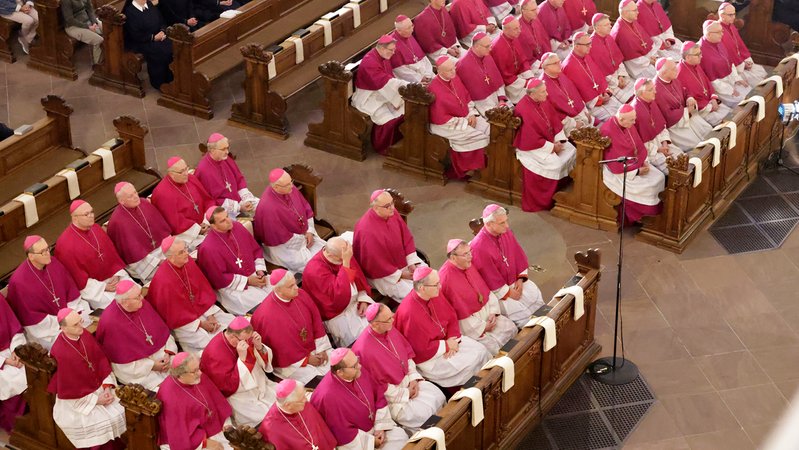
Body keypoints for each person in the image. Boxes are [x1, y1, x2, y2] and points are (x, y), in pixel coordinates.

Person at [352, 304, 445, 432]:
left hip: (410, 381)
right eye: (388, 319)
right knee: (425, 415)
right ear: (375, 324)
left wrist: (413, 379)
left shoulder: (389, 328)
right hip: (394, 397)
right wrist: (406, 393)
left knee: (438, 396)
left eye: (391, 316)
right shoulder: (362, 350)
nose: (393, 320)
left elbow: (406, 355)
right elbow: (376, 387)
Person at [394, 267, 491, 387]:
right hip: (432, 356)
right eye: (436, 284)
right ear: (422, 288)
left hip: (450, 340)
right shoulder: (408, 313)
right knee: (468, 366)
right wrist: (446, 345)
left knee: (481, 351)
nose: (440, 287)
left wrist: (452, 338)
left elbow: (451, 315)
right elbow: (419, 349)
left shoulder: (434, 293)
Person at [49, 308, 126, 449]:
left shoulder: (84, 335)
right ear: (63, 328)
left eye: (80, 321)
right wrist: (96, 400)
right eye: (75, 325)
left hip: (100, 387)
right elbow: (69, 388)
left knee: (125, 410)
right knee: (103, 424)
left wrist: (107, 387)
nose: (81, 326)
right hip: (78, 400)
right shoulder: (60, 351)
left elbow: (101, 362)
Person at [310, 348, 409, 450]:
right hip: (359, 443)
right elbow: (342, 433)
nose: (360, 366)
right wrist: (371, 442)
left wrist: (380, 427)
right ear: (340, 372)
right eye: (354, 366)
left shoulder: (357, 371)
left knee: (401, 436)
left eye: (357, 360)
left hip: (377, 427)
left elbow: (378, 395)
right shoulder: (326, 397)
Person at [148, 236, 233, 354]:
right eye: (181, 252)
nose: (187, 253)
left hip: (204, 310)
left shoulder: (188, 262)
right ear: (171, 258)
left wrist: (210, 315)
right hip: (186, 325)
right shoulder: (163, 281)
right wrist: (201, 324)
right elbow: (174, 316)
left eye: (186, 249)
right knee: (213, 344)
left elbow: (202, 291)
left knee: (232, 324)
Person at [6, 235, 92, 350]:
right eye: (43, 252)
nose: (47, 253)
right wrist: (65, 323)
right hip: (47, 330)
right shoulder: (19, 281)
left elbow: (70, 290)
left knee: (88, 325)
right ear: (31, 256)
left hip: (70, 315)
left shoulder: (53, 263)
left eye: (48, 249)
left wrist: (71, 316)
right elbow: (31, 317)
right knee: (68, 343)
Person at [251, 269, 332, 384]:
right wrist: (306, 360)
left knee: (338, 364)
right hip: (292, 364)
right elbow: (281, 349)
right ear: (278, 290)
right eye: (291, 286)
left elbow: (316, 321)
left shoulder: (300, 294)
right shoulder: (267, 316)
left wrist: (322, 349)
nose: (296, 287)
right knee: (319, 380)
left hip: (315, 347)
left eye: (295, 283)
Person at [470, 205, 546, 326]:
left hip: (515, 280)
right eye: (502, 223)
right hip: (500, 292)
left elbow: (517, 254)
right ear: (489, 224)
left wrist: (520, 279)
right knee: (524, 318)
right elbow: (489, 278)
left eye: (506, 220)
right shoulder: (478, 247)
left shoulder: (505, 232)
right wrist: (509, 292)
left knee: (536, 301)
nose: (507, 226)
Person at [438, 240, 517, 356]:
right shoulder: (445, 279)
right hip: (472, 327)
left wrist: (493, 312)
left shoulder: (468, 265)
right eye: (465, 254)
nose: (470, 256)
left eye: (470, 251)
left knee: (511, 329)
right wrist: (483, 327)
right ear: (453, 257)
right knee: (492, 350)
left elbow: (485, 292)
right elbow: (459, 315)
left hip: (488, 315)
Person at [96, 281, 177, 391]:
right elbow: (122, 362)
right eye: (137, 297)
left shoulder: (141, 304)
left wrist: (168, 353)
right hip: (137, 370)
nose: (142, 298)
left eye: (140, 294)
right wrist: (152, 365)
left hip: (162, 355)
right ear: (125, 302)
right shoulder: (110, 322)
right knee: (165, 389)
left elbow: (162, 333)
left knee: (184, 370)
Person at [55, 199, 135, 309]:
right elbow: (78, 278)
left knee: (135, 292)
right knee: (117, 307)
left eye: (91, 212)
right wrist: (104, 287)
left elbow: (112, 256)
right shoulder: (65, 245)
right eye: (86, 214)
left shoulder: (96, 228)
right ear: (75, 218)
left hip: (115, 277)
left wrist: (116, 274)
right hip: (96, 289)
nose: (91, 216)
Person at [512, 79, 577, 212]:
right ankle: (546, 200)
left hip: (548, 141)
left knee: (572, 150)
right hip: (531, 148)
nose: (547, 94)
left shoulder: (542, 101)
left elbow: (554, 121)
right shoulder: (523, 109)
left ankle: (563, 186)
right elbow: (530, 137)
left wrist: (559, 141)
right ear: (532, 94)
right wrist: (552, 147)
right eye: (543, 92)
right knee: (556, 164)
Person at [200, 316, 277, 427]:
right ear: (232, 336)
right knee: (265, 418)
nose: (247, 342)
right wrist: (242, 359)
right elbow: (226, 386)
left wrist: (259, 346)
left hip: (261, 383)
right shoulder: (214, 353)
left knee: (284, 400)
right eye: (244, 340)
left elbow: (261, 360)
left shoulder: (242, 339)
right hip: (240, 396)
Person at [353, 189, 425, 302]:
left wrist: (411, 261)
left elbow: (405, 235)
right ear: (375, 207)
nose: (392, 208)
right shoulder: (366, 230)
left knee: (429, 277)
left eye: (392, 203)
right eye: (387, 206)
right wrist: (401, 274)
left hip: (403, 260)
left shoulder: (392, 212)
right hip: (384, 275)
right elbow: (375, 264)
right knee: (417, 294)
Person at [197, 206, 270, 315]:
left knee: (279, 287)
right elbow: (219, 278)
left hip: (254, 274)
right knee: (263, 303)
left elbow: (255, 250)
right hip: (233, 287)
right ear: (213, 226)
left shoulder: (238, 227)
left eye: (227, 216)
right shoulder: (208, 248)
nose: (228, 221)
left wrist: (260, 271)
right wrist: (248, 281)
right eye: (223, 221)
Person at [600, 104, 666, 224]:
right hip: (621, 172)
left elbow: (638, 146)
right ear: (621, 119)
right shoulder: (608, 131)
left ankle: (658, 213)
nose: (634, 122)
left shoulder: (627, 124)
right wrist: (637, 171)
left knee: (659, 177)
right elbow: (614, 162)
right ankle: (641, 216)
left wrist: (644, 161)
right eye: (632, 120)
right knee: (649, 186)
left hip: (635, 163)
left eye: (634, 119)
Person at [302, 237, 372, 348]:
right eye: (342, 259)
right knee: (362, 343)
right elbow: (337, 299)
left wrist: (363, 298)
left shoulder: (344, 253)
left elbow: (358, 278)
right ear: (330, 255)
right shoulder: (314, 271)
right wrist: (345, 264)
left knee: (379, 322)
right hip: (338, 314)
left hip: (357, 301)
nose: (345, 260)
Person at [428, 56, 490, 179]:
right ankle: (470, 168)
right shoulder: (433, 88)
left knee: (488, 128)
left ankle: (488, 165)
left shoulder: (454, 78)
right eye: (449, 70)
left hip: (465, 116)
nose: (453, 72)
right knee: (478, 137)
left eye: (454, 68)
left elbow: (466, 96)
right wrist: (465, 121)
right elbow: (440, 116)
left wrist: (471, 113)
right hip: (445, 125)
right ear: (440, 71)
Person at [253, 168, 325, 273]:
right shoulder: (267, 207)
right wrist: (303, 240)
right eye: (287, 184)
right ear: (276, 187)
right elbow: (278, 235)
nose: (291, 186)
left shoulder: (290, 189)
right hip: (284, 247)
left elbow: (305, 207)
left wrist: (309, 231)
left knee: (326, 251)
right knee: (311, 264)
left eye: (291, 181)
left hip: (305, 235)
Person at [157, 352, 234, 450]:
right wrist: (205, 443)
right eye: (195, 371)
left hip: (214, 428)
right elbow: (179, 434)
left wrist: (225, 423)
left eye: (199, 368)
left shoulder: (196, 377)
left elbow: (217, 401)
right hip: (195, 442)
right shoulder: (170, 396)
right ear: (181, 374)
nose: (200, 373)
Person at [351, 35, 408, 155]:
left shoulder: (382, 56)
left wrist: (397, 98)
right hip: (367, 97)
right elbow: (385, 83)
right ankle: (382, 146)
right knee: (388, 121)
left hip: (381, 92)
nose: (393, 53)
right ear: (382, 48)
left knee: (404, 110)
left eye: (394, 49)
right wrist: (406, 87)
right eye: (391, 50)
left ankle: (399, 140)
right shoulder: (370, 62)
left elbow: (387, 80)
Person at [107, 181, 171, 282]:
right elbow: (133, 253)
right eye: (130, 196)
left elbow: (162, 231)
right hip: (143, 263)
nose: (136, 197)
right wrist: (159, 262)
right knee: (167, 275)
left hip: (162, 250)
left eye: (135, 192)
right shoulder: (117, 222)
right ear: (121, 201)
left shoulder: (144, 203)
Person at [151, 156, 216, 252]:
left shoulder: (191, 179)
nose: (186, 173)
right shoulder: (162, 193)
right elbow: (175, 222)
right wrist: (198, 229)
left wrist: (207, 221)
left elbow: (207, 200)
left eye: (186, 168)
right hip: (188, 235)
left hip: (206, 224)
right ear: (171, 174)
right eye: (181, 172)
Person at [258, 379, 337, 450]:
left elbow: (320, 427)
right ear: (288, 405)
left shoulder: (303, 404)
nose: (306, 400)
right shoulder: (271, 429)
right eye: (301, 399)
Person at [195, 133, 259, 219]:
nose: (227, 152)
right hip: (222, 211)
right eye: (223, 149)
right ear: (213, 150)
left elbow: (239, 179)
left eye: (227, 148)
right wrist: (238, 207)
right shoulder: (203, 170)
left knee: (262, 207)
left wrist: (247, 199)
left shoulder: (225, 158)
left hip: (239, 200)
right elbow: (210, 199)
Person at [654, 57, 712, 151]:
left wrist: (689, 98)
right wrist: (686, 111)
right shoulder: (656, 90)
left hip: (687, 116)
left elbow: (684, 90)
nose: (676, 70)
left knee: (709, 131)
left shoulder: (673, 78)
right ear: (664, 72)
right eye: (673, 69)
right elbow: (667, 115)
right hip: (677, 126)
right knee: (697, 146)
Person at [563, 31, 623, 123]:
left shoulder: (586, 55)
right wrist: (598, 100)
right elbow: (575, 92)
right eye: (587, 45)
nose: (590, 46)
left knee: (625, 112)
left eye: (590, 43)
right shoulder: (568, 66)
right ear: (577, 46)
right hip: (593, 105)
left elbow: (598, 75)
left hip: (604, 96)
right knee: (617, 121)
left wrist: (605, 91)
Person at [631, 78, 681, 174]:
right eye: (651, 90)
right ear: (641, 93)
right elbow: (638, 142)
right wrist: (658, 149)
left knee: (682, 158)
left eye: (654, 88)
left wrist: (665, 143)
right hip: (651, 151)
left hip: (663, 143)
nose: (655, 91)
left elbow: (662, 126)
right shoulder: (635, 111)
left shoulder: (651, 102)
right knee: (675, 171)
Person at [677, 41, 732, 126]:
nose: (701, 56)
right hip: (702, 111)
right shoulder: (679, 73)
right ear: (688, 57)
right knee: (727, 123)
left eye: (700, 53)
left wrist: (713, 98)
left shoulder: (695, 64)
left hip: (711, 102)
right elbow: (687, 100)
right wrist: (709, 106)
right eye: (697, 54)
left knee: (732, 114)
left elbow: (707, 82)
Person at [123, 0, 173, 90]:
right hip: (142, 42)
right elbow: (135, 35)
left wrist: (162, 31)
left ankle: (172, 79)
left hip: (159, 37)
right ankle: (159, 83)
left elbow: (162, 21)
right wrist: (153, 37)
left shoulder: (149, 4)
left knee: (174, 45)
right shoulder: (130, 12)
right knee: (162, 51)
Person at [540, 52, 593, 135]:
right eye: (555, 63)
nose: (559, 65)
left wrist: (585, 111)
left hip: (582, 115)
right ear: (545, 67)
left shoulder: (560, 74)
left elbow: (576, 94)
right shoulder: (543, 86)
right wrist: (574, 124)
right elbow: (553, 113)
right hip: (570, 125)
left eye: (559, 61)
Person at [699, 20, 748, 108]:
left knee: (749, 91)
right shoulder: (701, 51)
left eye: (722, 31)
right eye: (718, 32)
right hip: (720, 88)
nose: (722, 34)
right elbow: (711, 79)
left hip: (730, 80)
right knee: (743, 101)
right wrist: (729, 90)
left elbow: (730, 63)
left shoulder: (719, 42)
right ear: (709, 34)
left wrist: (737, 78)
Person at [456, 32, 507, 115]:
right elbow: (471, 95)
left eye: (490, 45)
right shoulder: (463, 65)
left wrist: (501, 99)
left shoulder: (486, 55)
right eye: (487, 46)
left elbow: (497, 80)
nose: (490, 49)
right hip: (483, 106)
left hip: (498, 98)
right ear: (476, 46)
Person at [718, 2, 768, 87]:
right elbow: (727, 54)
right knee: (757, 81)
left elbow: (740, 46)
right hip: (732, 69)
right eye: (730, 15)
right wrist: (742, 65)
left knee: (762, 74)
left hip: (741, 62)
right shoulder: (718, 30)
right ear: (722, 15)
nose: (734, 17)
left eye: (734, 14)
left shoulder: (731, 26)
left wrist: (746, 60)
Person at [590, 13, 635, 103]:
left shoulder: (608, 37)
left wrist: (621, 75)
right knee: (629, 101)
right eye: (606, 25)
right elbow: (599, 72)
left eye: (610, 24)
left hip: (619, 76)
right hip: (609, 82)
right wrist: (616, 82)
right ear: (597, 28)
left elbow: (618, 60)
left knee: (639, 91)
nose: (610, 26)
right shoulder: (591, 45)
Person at [491, 16, 535, 104]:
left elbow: (523, 60)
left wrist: (530, 78)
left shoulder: (514, 37)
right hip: (511, 84)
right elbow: (505, 75)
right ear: (506, 30)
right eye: (516, 29)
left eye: (519, 27)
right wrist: (525, 83)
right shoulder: (497, 47)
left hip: (519, 76)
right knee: (532, 95)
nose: (519, 31)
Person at [611, 0, 660, 78]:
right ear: (625, 13)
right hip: (637, 67)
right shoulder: (620, 30)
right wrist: (649, 61)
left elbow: (646, 42)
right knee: (659, 76)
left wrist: (652, 56)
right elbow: (631, 58)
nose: (638, 12)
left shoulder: (632, 21)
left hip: (646, 60)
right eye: (635, 10)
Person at [0, 294, 26, 433]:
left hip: (12, 350)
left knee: (35, 369)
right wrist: (5, 361)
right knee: (12, 380)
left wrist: (17, 350)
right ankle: (16, 425)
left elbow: (14, 328)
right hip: (2, 362)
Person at [390, 15, 434, 84]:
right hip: (413, 80)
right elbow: (399, 70)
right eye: (408, 28)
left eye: (412, 26)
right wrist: (419, 78)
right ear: (399, 31)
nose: (412, 30)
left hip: (426, 73)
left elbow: (422, 57)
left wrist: (428, 74)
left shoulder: (408, 34)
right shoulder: (392, 44)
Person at [61, 0, 103, 64]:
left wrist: (94, 22)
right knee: (99, 40)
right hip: (73, 27)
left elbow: (90, 10)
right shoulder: (66, 1)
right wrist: (87, 27)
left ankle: (110, 57)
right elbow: (69, 20)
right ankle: (98, 64)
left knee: (108, 29)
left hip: (88, 22)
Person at [518, 0, 552, 70]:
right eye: (533, 10)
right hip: (532, 64)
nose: (536, 12)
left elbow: (545, 39)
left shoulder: (535, 19)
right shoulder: (517, 27)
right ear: (523, 11)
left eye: (536, 9)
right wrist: (540, 64)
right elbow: (523, 53)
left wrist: (548, 57)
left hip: (543, 58)